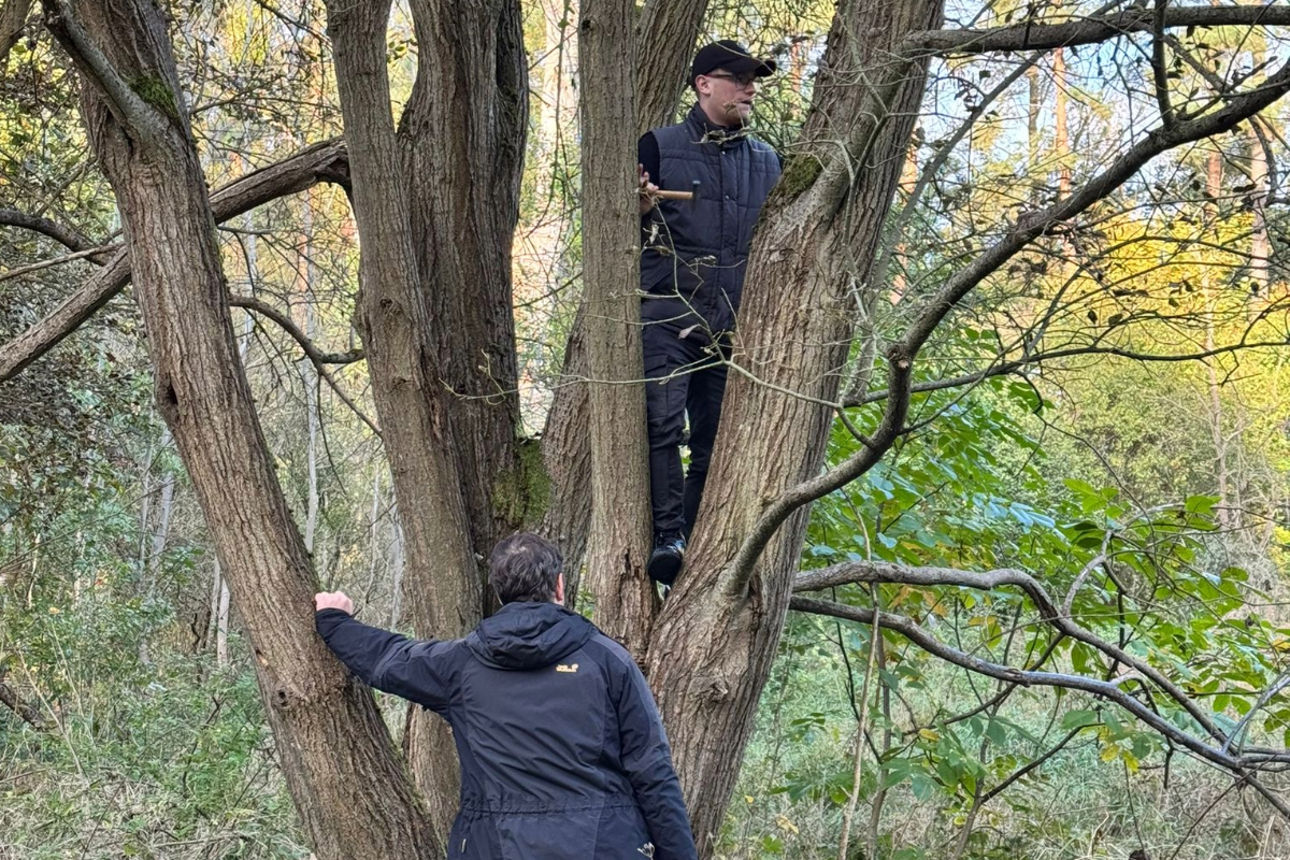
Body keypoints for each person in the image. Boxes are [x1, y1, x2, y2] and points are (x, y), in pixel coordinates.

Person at [314, 531, 697, 859]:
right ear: (559, 586)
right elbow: (653, 772)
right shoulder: (609, 661)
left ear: (499, 593)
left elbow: (387, 659)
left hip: (495, 845)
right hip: (605, 844)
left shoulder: (459, 665)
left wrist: (334, 622)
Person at [638, 40, 782, 585]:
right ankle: (667, 537)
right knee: (662, 427)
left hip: (733, 327)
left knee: (714, 441)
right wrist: (640, 205)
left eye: (754, 80)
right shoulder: (658, 146)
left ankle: (694, 546)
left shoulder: (769, 161)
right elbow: (624, 231)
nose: (749, 88)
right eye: (739, 78)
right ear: (703, 84)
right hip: (668, 318)